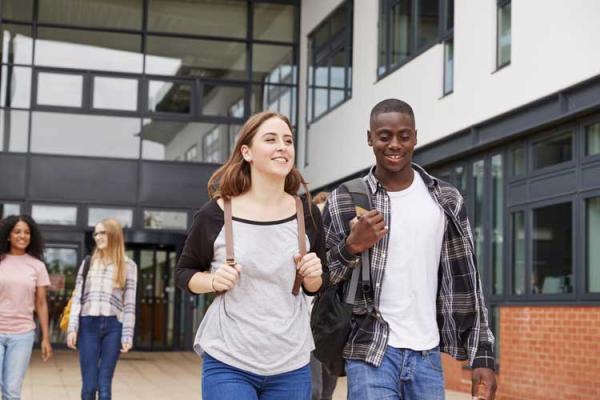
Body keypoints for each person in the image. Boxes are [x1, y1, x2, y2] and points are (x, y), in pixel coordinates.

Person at [322, 99, 497, 400]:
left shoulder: (446, 200)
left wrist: (482, 354)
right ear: (369, 138)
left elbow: (468, 279)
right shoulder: (345, 199)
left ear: (415, 136)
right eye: (384, 136)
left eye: (404, 136)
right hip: (369, 350)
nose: (394, 144)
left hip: (427, 356)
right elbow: (321, 279)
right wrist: (351, 246)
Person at [175, 111, 325, 400]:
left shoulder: (306, 214)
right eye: (270, 139)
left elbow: (315, 286)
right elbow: (184, 274)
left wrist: (314, 276)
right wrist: (214, 281)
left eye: (288, 140)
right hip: (229, 360)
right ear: (247, 152)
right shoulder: (215, 214)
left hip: (291, 362)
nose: (283, 146)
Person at [66, 218, 137, 400]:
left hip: (113, 327)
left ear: (114, 234)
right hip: (88, 325)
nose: (98, 237)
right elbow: (77, 298)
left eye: (102, 232)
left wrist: (127, 334)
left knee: (104, 385)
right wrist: (72, 328)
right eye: (96, 233)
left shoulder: (129, 266)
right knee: (89, 386)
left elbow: (129, 304)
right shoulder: (88, 263)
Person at [0, 215, 52, 399]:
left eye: (27, 232)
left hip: (22, 335)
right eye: (17, 232)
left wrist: (45, 337)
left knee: (12, 392)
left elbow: (41, 303)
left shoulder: (37, 266)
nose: (23, 236)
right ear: (8, 235)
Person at [308, 192, 338, 400]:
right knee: (314, 391)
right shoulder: (305, 248)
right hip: (306, 328)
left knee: (327, 391)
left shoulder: (339, 251)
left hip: (331, 327)